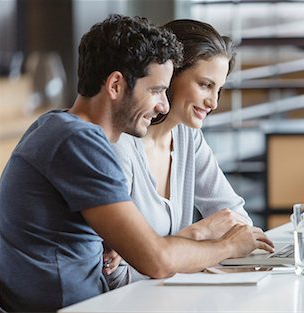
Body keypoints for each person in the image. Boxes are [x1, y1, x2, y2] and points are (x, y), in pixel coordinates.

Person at [0, 15, 273, 312]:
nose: (163, 106)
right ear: (116, 84)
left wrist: (151, 248)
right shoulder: (78, 143)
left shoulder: (63, 129)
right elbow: (155, 260)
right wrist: (229, 246)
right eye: (156, 91)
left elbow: (139, 258)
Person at [104, 19, 257, 289]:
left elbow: (237, 220)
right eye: (205, 85)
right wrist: (196, 237)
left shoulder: (187, 136)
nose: (214, 102)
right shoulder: (120, 145)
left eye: (218, 89)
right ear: (170, 75)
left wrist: (174, 250)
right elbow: (114, 275)